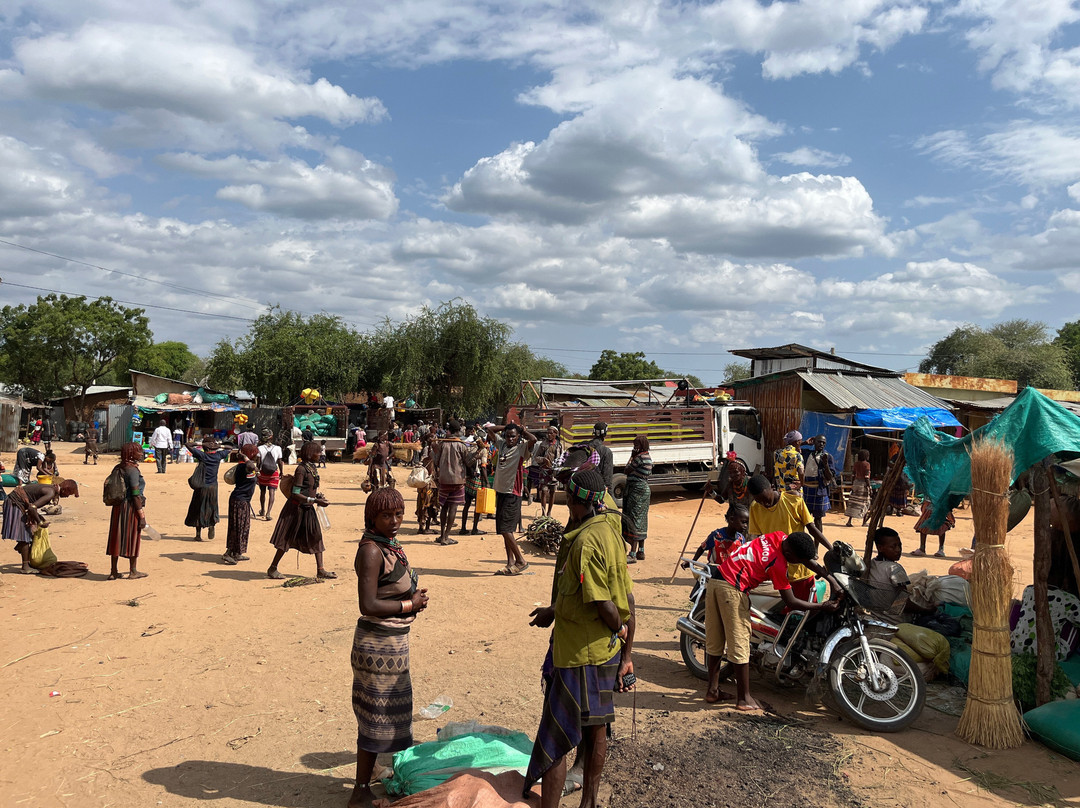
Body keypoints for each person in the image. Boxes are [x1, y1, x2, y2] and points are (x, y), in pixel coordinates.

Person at [523, 467, 635, 807]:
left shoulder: (584, 543)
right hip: (605, 651)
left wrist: (619, 628)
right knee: (596, 729)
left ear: (572, 501)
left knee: (555, 739)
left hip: (579, 655)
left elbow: (603, 603)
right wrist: (553, 610)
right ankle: (589, 802)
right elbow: (623, 596)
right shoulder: (610, 528)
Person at [348, 488, 428, 808]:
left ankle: (368, 779)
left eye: (398, 514)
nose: (394, 521)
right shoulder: (371, 551)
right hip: (377, 647)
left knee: (385, 715)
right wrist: (410, 605)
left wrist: (411, 601)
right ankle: (359, 792)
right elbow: (368, 604)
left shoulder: (388, 545)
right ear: (372, 517)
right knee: (376, 718)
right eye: (385, 516)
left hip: (391, 644)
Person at [703, 529, 840, 710]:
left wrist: (831, 580)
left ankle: (712, 691)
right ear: (789, 554)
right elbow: (791, 602)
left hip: (716, 581)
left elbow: (806, 559)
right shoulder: (777, 564)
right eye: (797, 561)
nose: (799, 563)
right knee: (740, 643)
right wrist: (822, 606)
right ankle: (744, 699)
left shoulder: (779, 536)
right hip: (732, 590)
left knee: (715, 641)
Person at [746, 474, 831, 601]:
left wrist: (831, 549)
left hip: (799, 568)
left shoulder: (793, 501)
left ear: (772, 487)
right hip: (776, 570)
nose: (764, 503)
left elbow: (812, 528)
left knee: (808, 607)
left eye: (765, 499)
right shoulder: (755, 507)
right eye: (759, 501)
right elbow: (757, 538)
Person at [267, 441, 335, 580]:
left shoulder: (312, 468)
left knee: (316, 536)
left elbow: (308, 489)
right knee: (286, 539)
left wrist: (317, 496)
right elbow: (295, 493)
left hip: (307, 508)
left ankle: (320, 570)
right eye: (317, 452)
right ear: (310, 454)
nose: (320, 454)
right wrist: (314, 500)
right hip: (295, 510)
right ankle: (272, 568)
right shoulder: (301, 469)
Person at [486, 422, 538, 575]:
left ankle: (520, 560)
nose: (510, 439)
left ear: (518, 437)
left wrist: (522, 430)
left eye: (513, 436)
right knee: (504, 530)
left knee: (506, 529)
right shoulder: (502, 445)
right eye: (508, 436)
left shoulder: (521, 448)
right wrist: (507, 426)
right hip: (501, 492)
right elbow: (489, 430)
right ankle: (510, 563)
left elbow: (533, 439)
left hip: (513, 493)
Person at [2, 479, 79, 573]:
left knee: (28, 534)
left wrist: (38, 517)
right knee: (24, 536)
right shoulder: (51, 492)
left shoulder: (52, 489)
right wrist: (40, 522)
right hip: (14, 503)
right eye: (69, 494)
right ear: (64, 490)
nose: (67, 496)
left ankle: (22, 550)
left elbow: (32, 506)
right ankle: (25, 567)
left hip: (17, 503)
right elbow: (32, 508)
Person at [107, 442, 148, 580]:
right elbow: (135, 494)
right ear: (131, 453)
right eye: (139, 451)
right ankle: (133, 571)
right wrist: (141, 515)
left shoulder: (118, 468)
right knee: (132, 538)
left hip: (117, 508)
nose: (141, 454)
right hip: (130, 508)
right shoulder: (133, 471)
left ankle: (113, 571)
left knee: (116, 537)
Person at [432, 419, 475, 546]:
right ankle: (446, 537)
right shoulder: (461, 445)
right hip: (457, 480)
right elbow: (468, 462)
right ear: (458, 431)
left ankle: (442, 535)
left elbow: (436, 461)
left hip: (444, 480)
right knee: (453, 507)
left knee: (444, 507)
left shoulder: (442, 444)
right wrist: (477, 454)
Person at [185, 437, 232, 541]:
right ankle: (211, 525)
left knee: (198, 508)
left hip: (201, 486)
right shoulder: (218, 455)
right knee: (212, 507)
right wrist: (218, 446)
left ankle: (198, 535)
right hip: (213, 487)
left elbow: (188, 444)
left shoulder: (202, 455)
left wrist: (201, 444)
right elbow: (230, 448)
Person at [223, 444, 258, 565]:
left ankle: (237, 552)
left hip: (243, 501)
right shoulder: (244, 466)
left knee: (243, 527)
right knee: (237, 528)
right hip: (239, 501)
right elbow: (251, 466)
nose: (257, 455)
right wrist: (244, 457)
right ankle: (229, 553)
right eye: (255, 453)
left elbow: (254, 470)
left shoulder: (248, 467)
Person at [685, 503, 750, 568]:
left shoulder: (741, 539)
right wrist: (693, 562)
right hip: (714, 570)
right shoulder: (716, 536)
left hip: (731, 572)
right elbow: (702, 548)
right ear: (731, 519)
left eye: (747, 523)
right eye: (743, 522)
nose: (745, 526)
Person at [622, 435, 653, 563]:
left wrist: (632, 457)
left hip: (636, 491)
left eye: (636, 445)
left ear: (642, 445)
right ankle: (641, 551)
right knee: (642, 520)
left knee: (634, 520)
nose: (635, 447)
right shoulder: (648, 457)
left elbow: (626, 470)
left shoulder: (639, 458)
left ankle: (632, 554)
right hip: (643, 490)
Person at [802, 435, 834, 533]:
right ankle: (803, 540)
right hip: (806, 490)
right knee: (803, 519)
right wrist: (805, 443)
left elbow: (830, 477)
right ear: (814, 442)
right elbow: (793, 449)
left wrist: (825, 464)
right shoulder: (807, 453)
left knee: (818, 520)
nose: (821, 444)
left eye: (823, 443)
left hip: (819, 491)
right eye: (819, 442)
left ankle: (817, 542)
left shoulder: (828, 457)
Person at [530, 426, 562, 518]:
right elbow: (536, 457)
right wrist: (543, 460)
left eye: (551, 433)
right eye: (548, 433)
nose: (549, 435)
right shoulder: (543, 444)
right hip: (544, 471)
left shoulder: (558, 445)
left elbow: (561, 458)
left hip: (554, 472)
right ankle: (543, 513)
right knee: (544, 492)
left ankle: (549, 513)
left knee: (552, 492)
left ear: (555, 434)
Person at [256, 429, 284, 521]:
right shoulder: (278, 448)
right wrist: (281, 472)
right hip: (273, 473)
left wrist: (257, 473)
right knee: (272, 493)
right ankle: (268, 513)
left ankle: (262, 510)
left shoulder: (260, 448)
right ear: (271, 437)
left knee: (262, 492)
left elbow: (258, 463)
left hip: (263, 473)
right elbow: (280, 462)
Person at [845, 449, 872, 527]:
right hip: (863, 485)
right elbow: (866, 477)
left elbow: (853, 475)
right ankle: (864, 522)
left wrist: (853, 484)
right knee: (865, 502)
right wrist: (869, 487)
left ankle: (849, 521)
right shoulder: (867, 464)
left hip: (856, 484)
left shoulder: (856, 464)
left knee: (853, 502)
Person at [590, 422, 614, 493]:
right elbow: (607, 476)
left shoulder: (584, 446)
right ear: (605, 434)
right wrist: (608, 493)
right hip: (597, 487)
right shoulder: (606, 451)